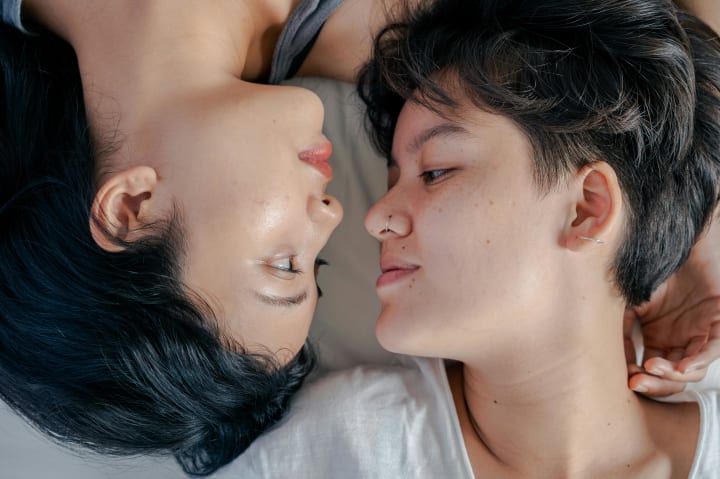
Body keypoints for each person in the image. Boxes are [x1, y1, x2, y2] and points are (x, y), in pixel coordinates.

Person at [0, 0, 719, 477]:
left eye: (283, 262)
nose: (339, 216)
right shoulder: (406, 44)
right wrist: (698, 218)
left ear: (132, 206)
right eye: (317, 265)